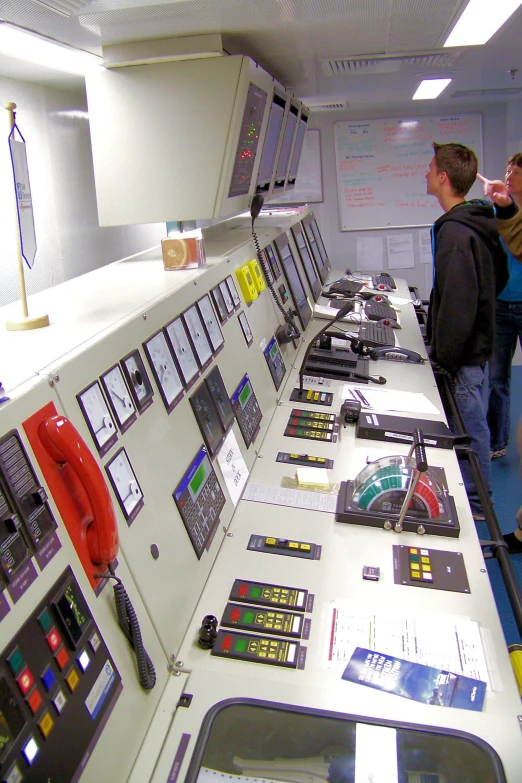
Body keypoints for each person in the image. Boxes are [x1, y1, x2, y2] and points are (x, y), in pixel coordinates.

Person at [426, 142, 507, 520]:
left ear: (443, 177)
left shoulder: (455, 234)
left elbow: (457, 304)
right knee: (473, 428)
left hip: (464, 358)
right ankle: (478, 504)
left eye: (430, 169)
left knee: (471, 432)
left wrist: (444, 358)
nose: (425, 175)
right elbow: (500, 277)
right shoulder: (480, 221)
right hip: (477, 348)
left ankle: (478, 511)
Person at [485, 154, 522, 460]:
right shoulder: (499, 210)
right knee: (497, 377)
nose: (508, 175)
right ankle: (497, 442)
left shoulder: (514, 217)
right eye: (507, 169)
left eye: (515, 171)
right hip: (501, 303)